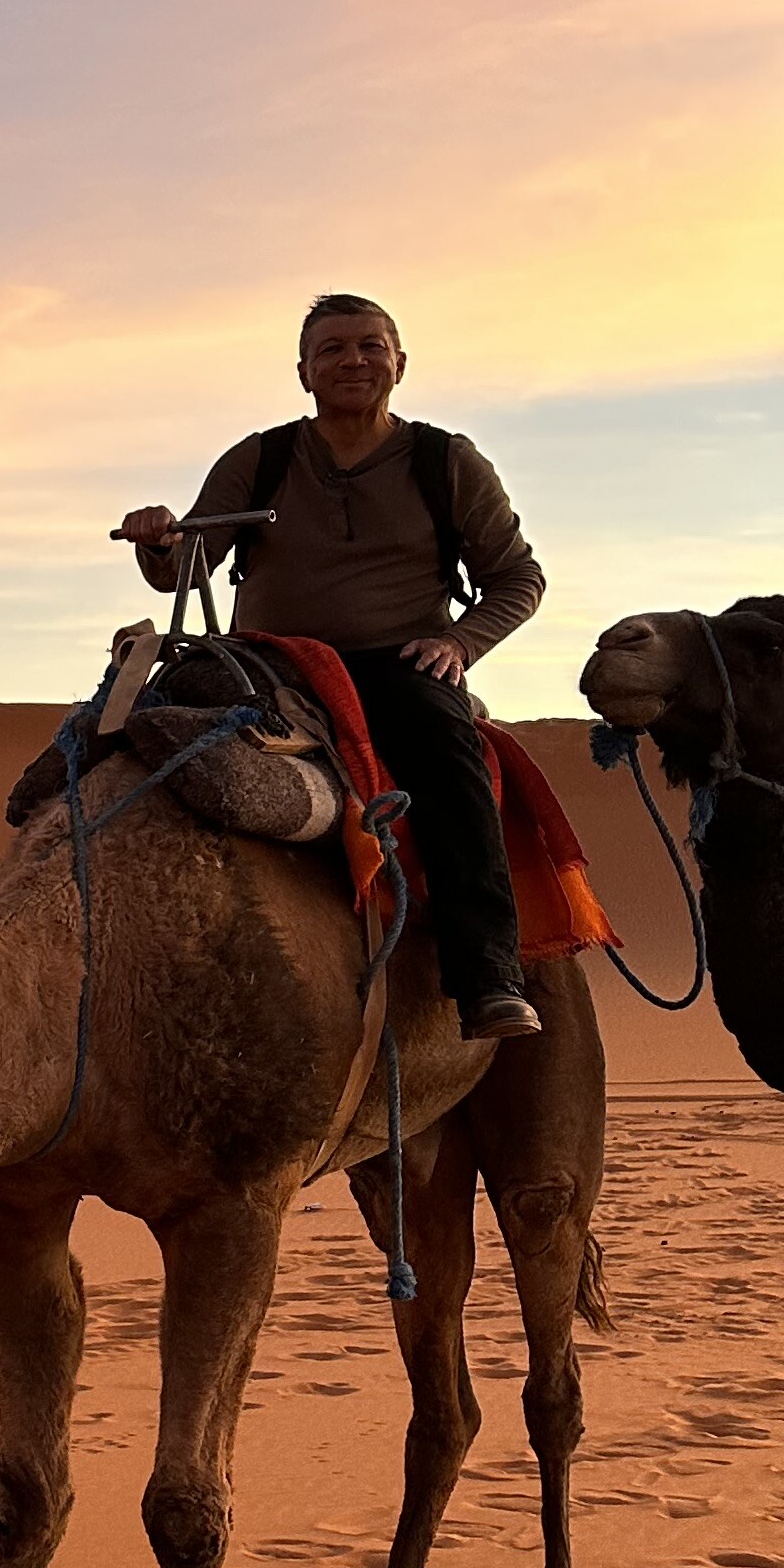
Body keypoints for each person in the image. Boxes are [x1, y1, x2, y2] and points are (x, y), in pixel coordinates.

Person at [121, 291, 547, 1039]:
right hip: (269, 663)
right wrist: (160, 541)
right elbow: (187, 568)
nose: (353, 360)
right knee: (129, 733)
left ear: (399, 363)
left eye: (370, 346)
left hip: (400, 661)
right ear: (304, 372)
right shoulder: (262, 458)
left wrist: (460, 644)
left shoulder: (446, 461)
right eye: (333, 350)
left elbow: (518, 577)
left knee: (450, 761)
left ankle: (487, 974)